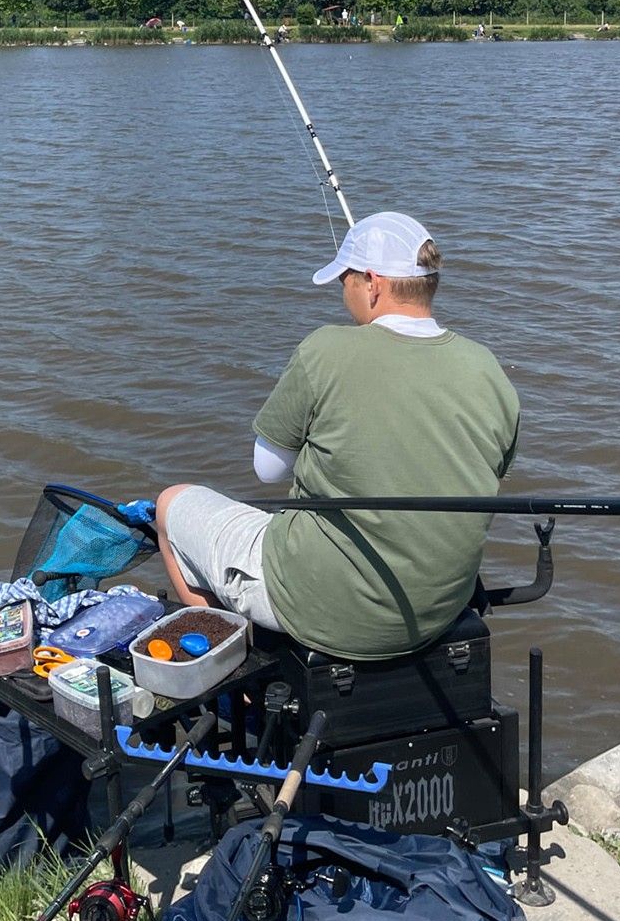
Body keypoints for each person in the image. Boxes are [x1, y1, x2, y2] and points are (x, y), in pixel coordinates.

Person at [156, 212, 520, 660]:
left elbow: (267, 469)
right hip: (438, 610)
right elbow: (487, 466)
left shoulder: (326, 349)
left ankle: (229, 665)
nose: (342, 293)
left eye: (344, 279)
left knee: (171, 504)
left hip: (324, 608)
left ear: (372, 283)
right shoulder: (486, 367)